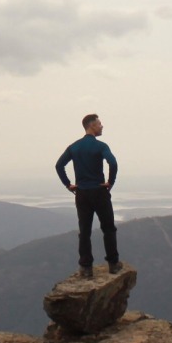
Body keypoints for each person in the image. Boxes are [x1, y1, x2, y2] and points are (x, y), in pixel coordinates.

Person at [55, 113, 120, 278]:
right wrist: (110, 182)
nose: (102, 126)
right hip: (99, 191)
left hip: (82, 193)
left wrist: (68, 184)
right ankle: (113, 264)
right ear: (91, 125)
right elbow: (112, 163)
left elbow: (59, 165)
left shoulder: (74, 147)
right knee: (108, 228)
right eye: (99, 123)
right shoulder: (101, 146)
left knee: (84, 231)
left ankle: (86, 268)